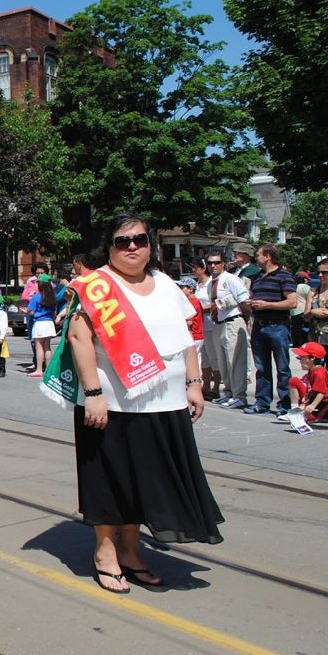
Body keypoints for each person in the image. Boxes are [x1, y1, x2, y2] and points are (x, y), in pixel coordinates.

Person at [64, 213, 222, 594]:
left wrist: (194, 384)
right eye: (122, 241)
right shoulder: (95, 286)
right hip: (112, 403)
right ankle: (105, 552)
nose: (132, 246)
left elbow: (185, 340)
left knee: (142, 482)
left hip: (163, 403)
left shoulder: (166, 284)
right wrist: (94, 395)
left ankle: (131, 552)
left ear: (150, 244)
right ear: (110, 247)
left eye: (139, 239)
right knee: (108, 479)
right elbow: (79, 339)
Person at [245, 244, 297, 415]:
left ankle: (285, 404)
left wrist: (268, 304)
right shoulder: (257, 277)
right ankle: (262, 402)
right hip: (259, 326)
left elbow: (292, 302)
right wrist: (251, 303)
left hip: (277, 326)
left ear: (268, 256)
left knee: (282, 367)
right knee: (261, 368)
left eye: (258, 255)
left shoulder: (284, 276)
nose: (255, 258)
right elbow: (254, 297)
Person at [206, 251, 251, 409]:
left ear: (223, 264)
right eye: (210, 263)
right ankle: (229, 392)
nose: (213, 266)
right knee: (223, 361)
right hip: (218, 323)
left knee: (235, 360)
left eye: (217, 263)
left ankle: (239, 395)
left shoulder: (231, 279)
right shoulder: (211, 283)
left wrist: (245, 320)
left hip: (232, 321)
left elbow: (244, 301)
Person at [280, 342, 328, 428]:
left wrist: (312, 406)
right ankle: (295, 412)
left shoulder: (319, 373)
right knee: (294, 381)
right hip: (324, 397)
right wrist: (305, 400)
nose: (300, 360)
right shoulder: (313, 370)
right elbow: (313, 390)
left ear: (312, 358)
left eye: (302, 357)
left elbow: (321, 393)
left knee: (311, 418)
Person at [192, 259, 221, 400]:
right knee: (204, 357)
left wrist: (200, 309)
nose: (194, 271)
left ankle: (216, 387)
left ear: (203, 268)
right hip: (200, 325)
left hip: (210, 322)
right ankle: (206, 386)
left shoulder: (211, 283)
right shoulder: (196, 285)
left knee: (213, 355)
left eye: (196, 268)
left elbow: (214, 302)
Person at [26, 274, 57, 377]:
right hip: (49, 323)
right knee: (47, 347)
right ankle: (48, 369)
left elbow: (31, 312)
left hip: (39, 323)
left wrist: (27, 311)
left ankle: (39, 369)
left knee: (39, 347)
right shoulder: (52, 297)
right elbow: (53, 312)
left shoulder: (36, 296)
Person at [291, 272, 312, 347]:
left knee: (295, 329)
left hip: (293, 311)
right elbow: (311, 297)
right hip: (302, 310)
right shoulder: (305, 287)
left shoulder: (293, 287)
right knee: (302, 330)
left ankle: (295, 344)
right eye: (306, 279)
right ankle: (302, 344)